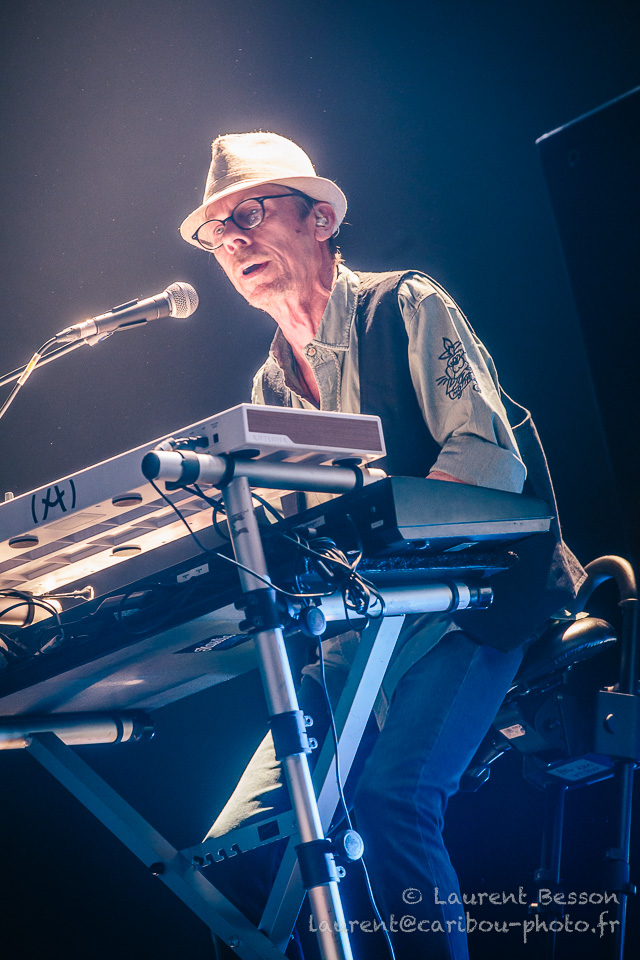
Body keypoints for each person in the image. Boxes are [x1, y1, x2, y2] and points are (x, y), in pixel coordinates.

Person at [179, 132, 584, 959]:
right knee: (228, 855)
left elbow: (489, 461)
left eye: (249, 215)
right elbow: (294, 538)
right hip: (360, 636)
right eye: (218, 232)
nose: (233, 241)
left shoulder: (405, 305)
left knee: (392, 800)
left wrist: (383, 542)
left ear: (320, 218)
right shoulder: (268, 386)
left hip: (469, 607)